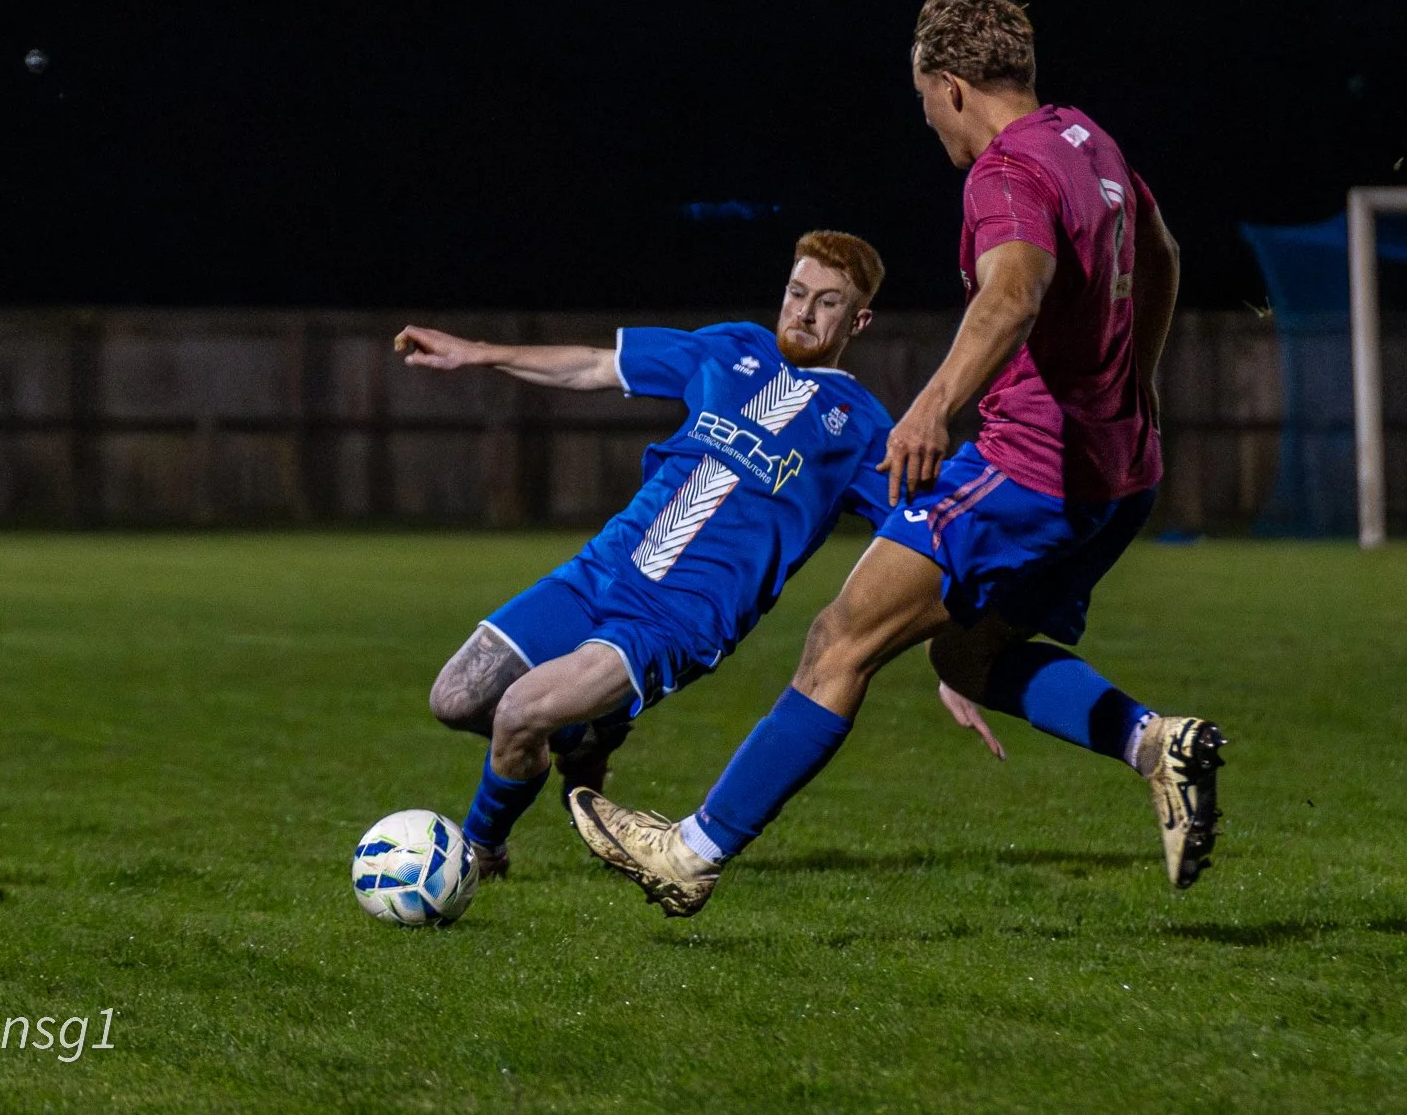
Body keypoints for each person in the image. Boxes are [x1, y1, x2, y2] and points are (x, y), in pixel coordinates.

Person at [569, 0, 1225, 917]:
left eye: (923, 99)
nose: (927, 121)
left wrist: (929, 408)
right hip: (1120, 476)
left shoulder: (1004, 173)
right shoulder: (1089, 141)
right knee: (966, 656)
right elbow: (1157, 248)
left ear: (951, 85)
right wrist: (1139, 381)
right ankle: (1155, 743)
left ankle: (692, 851)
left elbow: (1011, 295)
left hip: (1025, 469)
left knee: (840, 639)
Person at [401, 231, 997, 885]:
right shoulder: (730, 348)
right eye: (796, 292)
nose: (802, 311)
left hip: (676, 617)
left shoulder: (862, 429)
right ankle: (587, 737)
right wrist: (476, 353)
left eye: (826, 302)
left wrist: (952, 657)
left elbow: (921, 550)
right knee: (454, 698)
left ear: (857, 320)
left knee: (520, 712)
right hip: (601, 568)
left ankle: (479, 854)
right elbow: (594, 366)